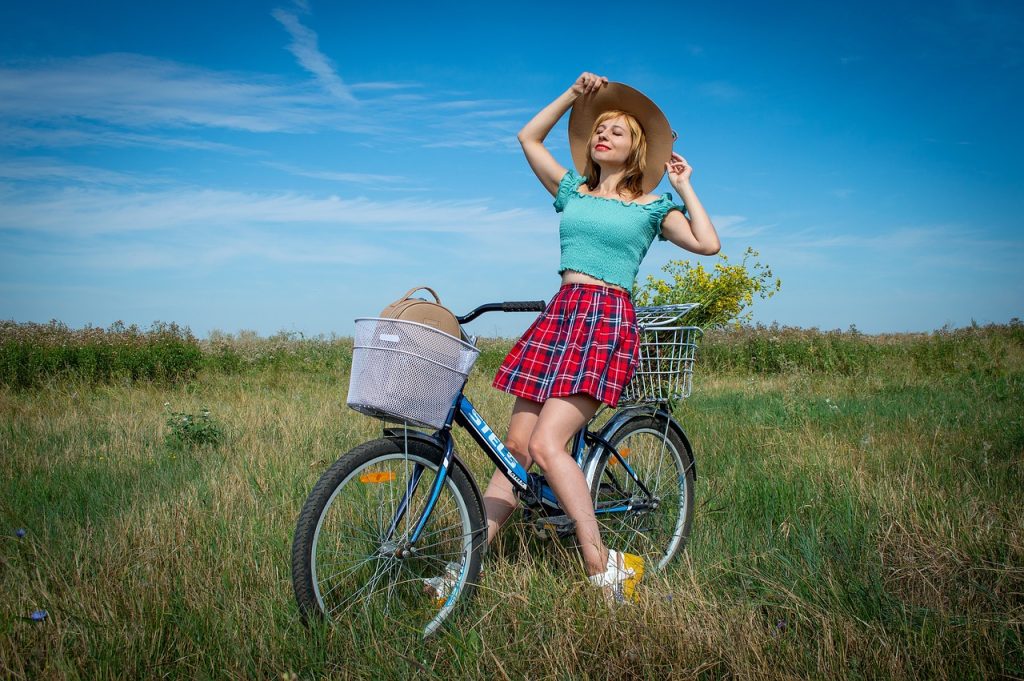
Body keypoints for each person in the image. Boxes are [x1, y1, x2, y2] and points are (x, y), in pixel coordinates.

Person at [433, 73, 721, 604]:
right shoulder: (572, 192)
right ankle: (461, 570)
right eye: (599, 129)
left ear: (637, 149)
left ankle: (600, 564)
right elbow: (528, 137)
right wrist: (573, 95)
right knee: (515, 450)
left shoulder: (652, 207)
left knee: (547, 444)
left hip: (606, 321)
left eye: (617, 131)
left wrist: (683, 186)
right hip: (561, 316)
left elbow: (708, 244)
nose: (603, 135)